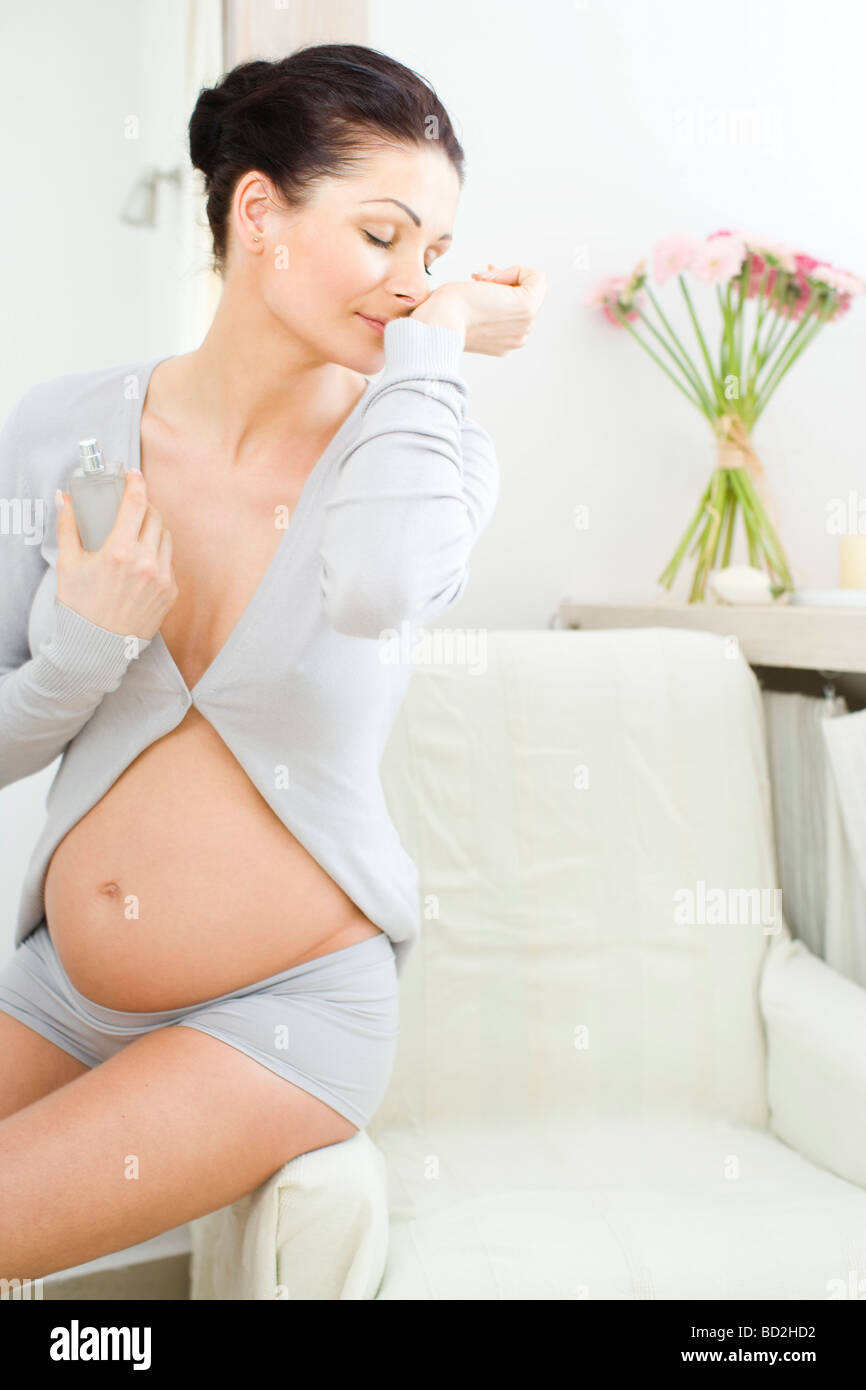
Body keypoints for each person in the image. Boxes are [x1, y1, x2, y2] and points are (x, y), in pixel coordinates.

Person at [0, 42, 545, 1281]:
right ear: (261, 213)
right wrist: (77, 653)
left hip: (283, 1013)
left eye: (436, 256)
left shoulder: (425, 447)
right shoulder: (62, 432)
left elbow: (376, 585)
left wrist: (439, 341)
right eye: (382, 237)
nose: (413, 283)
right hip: (57, 992)